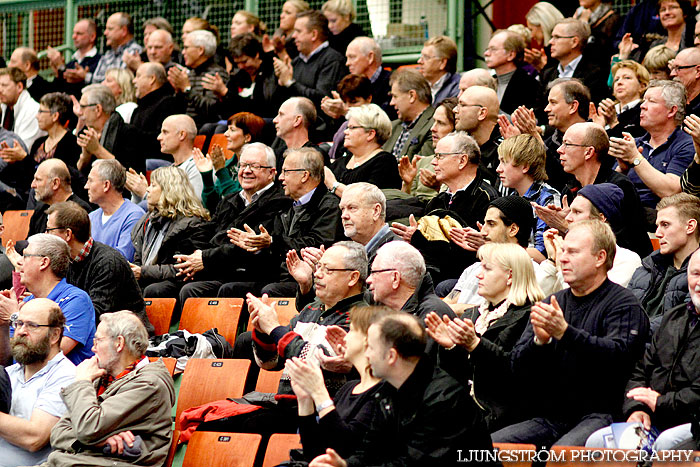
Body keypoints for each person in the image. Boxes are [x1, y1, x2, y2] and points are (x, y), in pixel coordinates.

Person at [491, 220, 649, 447]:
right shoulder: (553, 303)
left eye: (572, 252)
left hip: (602, 414)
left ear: (600, 258)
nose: (562, 258)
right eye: (562, 251)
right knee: (485, 450)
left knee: (561, 456)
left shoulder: (624, 304)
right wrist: (539, 342)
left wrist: (565, 333)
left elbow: (619, 358)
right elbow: (517, 368)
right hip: (550, 416)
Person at [208, 242, 368, 435]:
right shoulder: (310, 310)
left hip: (322, 413)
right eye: (318, 267)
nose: (317, 274)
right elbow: (269, 363)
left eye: (328, 270)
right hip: (286, 406)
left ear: (353, 278)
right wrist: (262, 331)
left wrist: (274, 329)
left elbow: (316, 359)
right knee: (213, 423)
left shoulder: (363, 317)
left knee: (250, 428)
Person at [309, 312, 495, 467]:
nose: (366, 354)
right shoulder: (388, 390)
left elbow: (411, 464)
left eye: (370, 348)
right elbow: (369, 451)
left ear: (391, 356)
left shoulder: (444, 399)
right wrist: (344, 465)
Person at [586, 248, 700, 451]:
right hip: (654, 418)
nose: (698, 283)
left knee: (665, 444)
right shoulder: (674, 317)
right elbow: (641, 369)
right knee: (598, 441)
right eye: (695, 274)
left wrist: (661, 402)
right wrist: (637, 409)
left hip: (693, 425)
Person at [427, 243, 545, 431]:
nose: (478, 275)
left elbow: (515, 375)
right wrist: (450, 348)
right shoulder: (472, 315)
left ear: (510, 276)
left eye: (487, 269)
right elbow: (455, 377)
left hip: (505, 416)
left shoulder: (532, 317)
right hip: (465, 410)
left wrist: (475, 344)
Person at [42, 311, 175, 466]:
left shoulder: (149, 385)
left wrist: (82, 382)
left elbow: (88, 428)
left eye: (98, 340)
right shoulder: (101, 377)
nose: (93, 348)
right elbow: (58, 433)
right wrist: (99, 441)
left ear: (119, 343)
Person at [170, 143, 292, 305]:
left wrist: (206, 257)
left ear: (271, 173)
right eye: (243, 165)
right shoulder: (229, 200)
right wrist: (194, 255)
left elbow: (245, 246)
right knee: (189, 287)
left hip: (255, 273)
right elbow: (209, 232)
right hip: (222, 269)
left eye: (254, 166)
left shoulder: (280, 201)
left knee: (228, 289)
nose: (246, 171)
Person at [227, 147, 342, 298]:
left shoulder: (328, 205)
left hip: (309, 279)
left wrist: (272, 243)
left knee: (270, 291)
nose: (280, 177)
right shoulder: (286, 205)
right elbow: (274, 246)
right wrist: (255, 246)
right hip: (278, 276)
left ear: (304, 175)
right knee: (230, 289)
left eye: (286, 172)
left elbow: (316, 243)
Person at [391, 131, 499, 284]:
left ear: (462, 160)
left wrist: (419, 239)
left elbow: (469, 254)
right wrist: (413, 240)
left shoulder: (486, 199)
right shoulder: (437, 201)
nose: (434, 162)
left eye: (440, 156)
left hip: (467, 281)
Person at [286, 305, 386, 462]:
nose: (345, 337)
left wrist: (320, 392)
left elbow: (345, 448)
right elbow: (315, 454)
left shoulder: (383, 393)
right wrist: (305, 399)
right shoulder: (348, 388)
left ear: (368, 340)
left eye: (352, 331)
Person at [536, 121, 651, 257]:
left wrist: (567, 228)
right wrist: (560, 228)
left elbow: (623, 245)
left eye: (567, 144)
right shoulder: (569, 191)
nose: (560, 149)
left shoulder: (618, 188)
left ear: (588, 152)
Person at [45, 201, 152, 334]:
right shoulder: (68, 260)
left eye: (49, 230)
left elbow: (93, 315)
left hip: (126, 338)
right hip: (95, 334)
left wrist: (48, 311)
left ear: (68, 234)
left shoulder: (108, 263)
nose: (46, 235)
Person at [445, 196, 561, 311]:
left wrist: (459, 310)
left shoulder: (530, 272)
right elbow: (449, 302)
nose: (483, 231)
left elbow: (511, 314)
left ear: (513, 229)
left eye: (491, 224)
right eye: (484, 223)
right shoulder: (474, 269)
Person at [0, 233, 95, 365]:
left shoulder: (76, 300)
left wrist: (15, 317)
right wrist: (3, 325)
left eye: (25, 256)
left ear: (44, 262)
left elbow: (52, 353)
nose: (19, 261)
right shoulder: (27, 303)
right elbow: (7, 359)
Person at [0, 299, 75, 467]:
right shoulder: (10, 373)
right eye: (18, 324)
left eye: (32, 325)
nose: (20, 332)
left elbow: (34, 438)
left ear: (55, 335)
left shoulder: (66, 376)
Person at [609, 79, 693, 224]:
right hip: (625, 217)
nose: (643, 106)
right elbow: (609, 192)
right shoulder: (634, 143)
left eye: (651, 101)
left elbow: (670, 191)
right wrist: (622, 169)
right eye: (644, 100)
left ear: (672, 110)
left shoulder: (687, 145)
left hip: (659, 222)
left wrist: (636, 159)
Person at [130, 166, 210, 299]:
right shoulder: (146, 221)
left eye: (153, 185)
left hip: (178, 282)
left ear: (169, 190)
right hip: (150, 276)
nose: (148, 189)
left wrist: (143, 272)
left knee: (154, 290)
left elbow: (182, 268)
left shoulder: (192, 223)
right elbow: (138, 260)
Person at [365, 241, 455, 357]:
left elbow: (416, 371)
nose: (368, 280)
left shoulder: (431, 315)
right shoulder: (384, 309)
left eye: (374, 273)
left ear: (395, 278)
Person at [627, 193, 700, 331]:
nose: (658, 233)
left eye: (665, 225)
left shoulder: (697, 276)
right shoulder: (646, 268)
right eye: (657, 226)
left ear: (690, 226)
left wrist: (628, 332)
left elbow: (676, 326)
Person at [496, 134, 560, 259]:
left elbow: (543, 255)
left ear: (525, 166)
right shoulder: (510, 197)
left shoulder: (548, 198)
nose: (498, 169)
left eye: (504, 162)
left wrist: (493, 246)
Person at [273, 10, 347, 112]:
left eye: (298, 31)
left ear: (314, 34)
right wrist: (282, 82)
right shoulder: (296, 62)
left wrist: (290, 83)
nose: (294, 35)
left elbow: (322, 100)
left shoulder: (332, 60)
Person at [194, 111, 265, 212]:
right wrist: (207, 176)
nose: (226, 134)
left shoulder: (258, 167)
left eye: (232, 130)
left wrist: (221, 171)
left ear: (247, 137)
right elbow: (211, 206)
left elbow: (240, 204)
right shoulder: (227, 165)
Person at [325, 103, 401, 197]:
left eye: (352, 128)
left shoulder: (385, 162)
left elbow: (369, 199)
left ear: (370, 134)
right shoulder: (341, 162)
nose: (345, 132)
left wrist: (334, 185)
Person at [128, 114, 203, 205]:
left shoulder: (197, 168)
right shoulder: (169, 169)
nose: (159, 137)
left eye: (165, 132)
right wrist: (136, 192)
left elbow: (192, 207)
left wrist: (145, 194)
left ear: (182, 135)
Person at [75, 84, 145, 174]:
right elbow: (74, 179)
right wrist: (85, 158)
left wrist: (97, 150)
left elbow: (131, 175)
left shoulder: (128, 133)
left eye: (83, 107)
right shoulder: (85, 134)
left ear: (98, 109)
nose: (79, 112)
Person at [397, 97, 456, 202]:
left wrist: (439, 187)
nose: (432, 128)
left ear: (455, 128)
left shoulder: (458, 164)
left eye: (441, 123)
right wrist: (407, 183)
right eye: (434, 122)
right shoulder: (422, 162)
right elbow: (404, 205)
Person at [85, 160, 145, 261]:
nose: (86, 186)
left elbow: (121, 260)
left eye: (90, 180)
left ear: (106, 185)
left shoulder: (134, 216)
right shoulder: (91, 217)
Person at [168, 29, 229, 128]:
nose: (183, 52)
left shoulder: (216, 75)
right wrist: (178, 92)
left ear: (200, 50)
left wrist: (187, 89)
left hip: (204, 129)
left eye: (186, 47)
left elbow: (212, 111)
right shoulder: (189, 74)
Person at [539, 18, 609, 103]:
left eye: (557, 37)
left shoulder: (595, 74)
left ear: (574, 42)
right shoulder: (547, 74)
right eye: (552, 37)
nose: (550, 42)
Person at [130, 62, 183, 162]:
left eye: (138, 76)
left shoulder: (168, 104)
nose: (134, 81)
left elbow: (164, 140)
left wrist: (130, 134)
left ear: (152, 79)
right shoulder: (138, 109)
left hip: (160, 161)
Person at [27, 159, 90, 237]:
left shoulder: (80, 210)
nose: (33, 185)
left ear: (55, 183)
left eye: (38, 180)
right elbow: (29, 242)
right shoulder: (40, 208)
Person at [382, 69, 435, 161]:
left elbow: (421, 166)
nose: (391, 103)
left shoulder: (434, 124)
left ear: (412, 96)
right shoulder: (392, 126)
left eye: (395, 96)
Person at [454, 85, 502, 185]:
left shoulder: (504, 149)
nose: (454, 110)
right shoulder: (459, 145)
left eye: (462, 105)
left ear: (482, 113)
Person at [484, 30, 540, 114]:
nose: (486, 53)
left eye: (493, 49)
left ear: (511, 55)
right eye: (487, 49)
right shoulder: (489, 82)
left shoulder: (528, 86)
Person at [590, 59, 648, 139]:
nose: (619, 82)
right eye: (616, 79)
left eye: (627, 78)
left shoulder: (644, 110)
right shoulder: (605, 111)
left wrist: (614, 123)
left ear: (642, 86)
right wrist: (596, 127)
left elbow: (633, 144)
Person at [46, 19, 101, 97]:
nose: (74, 37)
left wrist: (61, 67)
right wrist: (58, 73)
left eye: (79, 33)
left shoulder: (99, 61)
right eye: (74, 33)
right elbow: (58, 92)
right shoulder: (71, 63)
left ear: (92, 37)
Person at [272, 97, 329, 171]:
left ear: (297, 120)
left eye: (281, 114)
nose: (274, 120)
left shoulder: (317, 156)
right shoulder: (276, 155)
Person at [343, 37, 393, 117]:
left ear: (370, 57)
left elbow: (384, 119)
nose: (347, 63)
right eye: (347, 58)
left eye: (352, 57)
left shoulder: (392, 83)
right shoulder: (349, 84)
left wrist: (346, 112)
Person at [92, 12, 143, 84]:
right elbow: (95, 80)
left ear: (124, 31)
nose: (105, 33)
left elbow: (121, 83)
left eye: (110, 29)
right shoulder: (108, 54)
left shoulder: (134, 52)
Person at [0, 67, 44, 150]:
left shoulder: (33, 110)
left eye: (4, 85)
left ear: (19, 87)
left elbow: (20, 149)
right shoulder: (4, 105)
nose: (0, 90)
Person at [417, 36, 461, 105]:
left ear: (442, 63)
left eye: (426, 57)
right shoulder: (420, 86)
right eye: (421, 57)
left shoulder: (458, 89)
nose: (419, 61)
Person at [523, 2, 565, 72]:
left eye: (531, 30)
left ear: (543, 25)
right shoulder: (548, 51)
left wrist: (543, 66)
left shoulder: (560, 51)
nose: (532, 36)